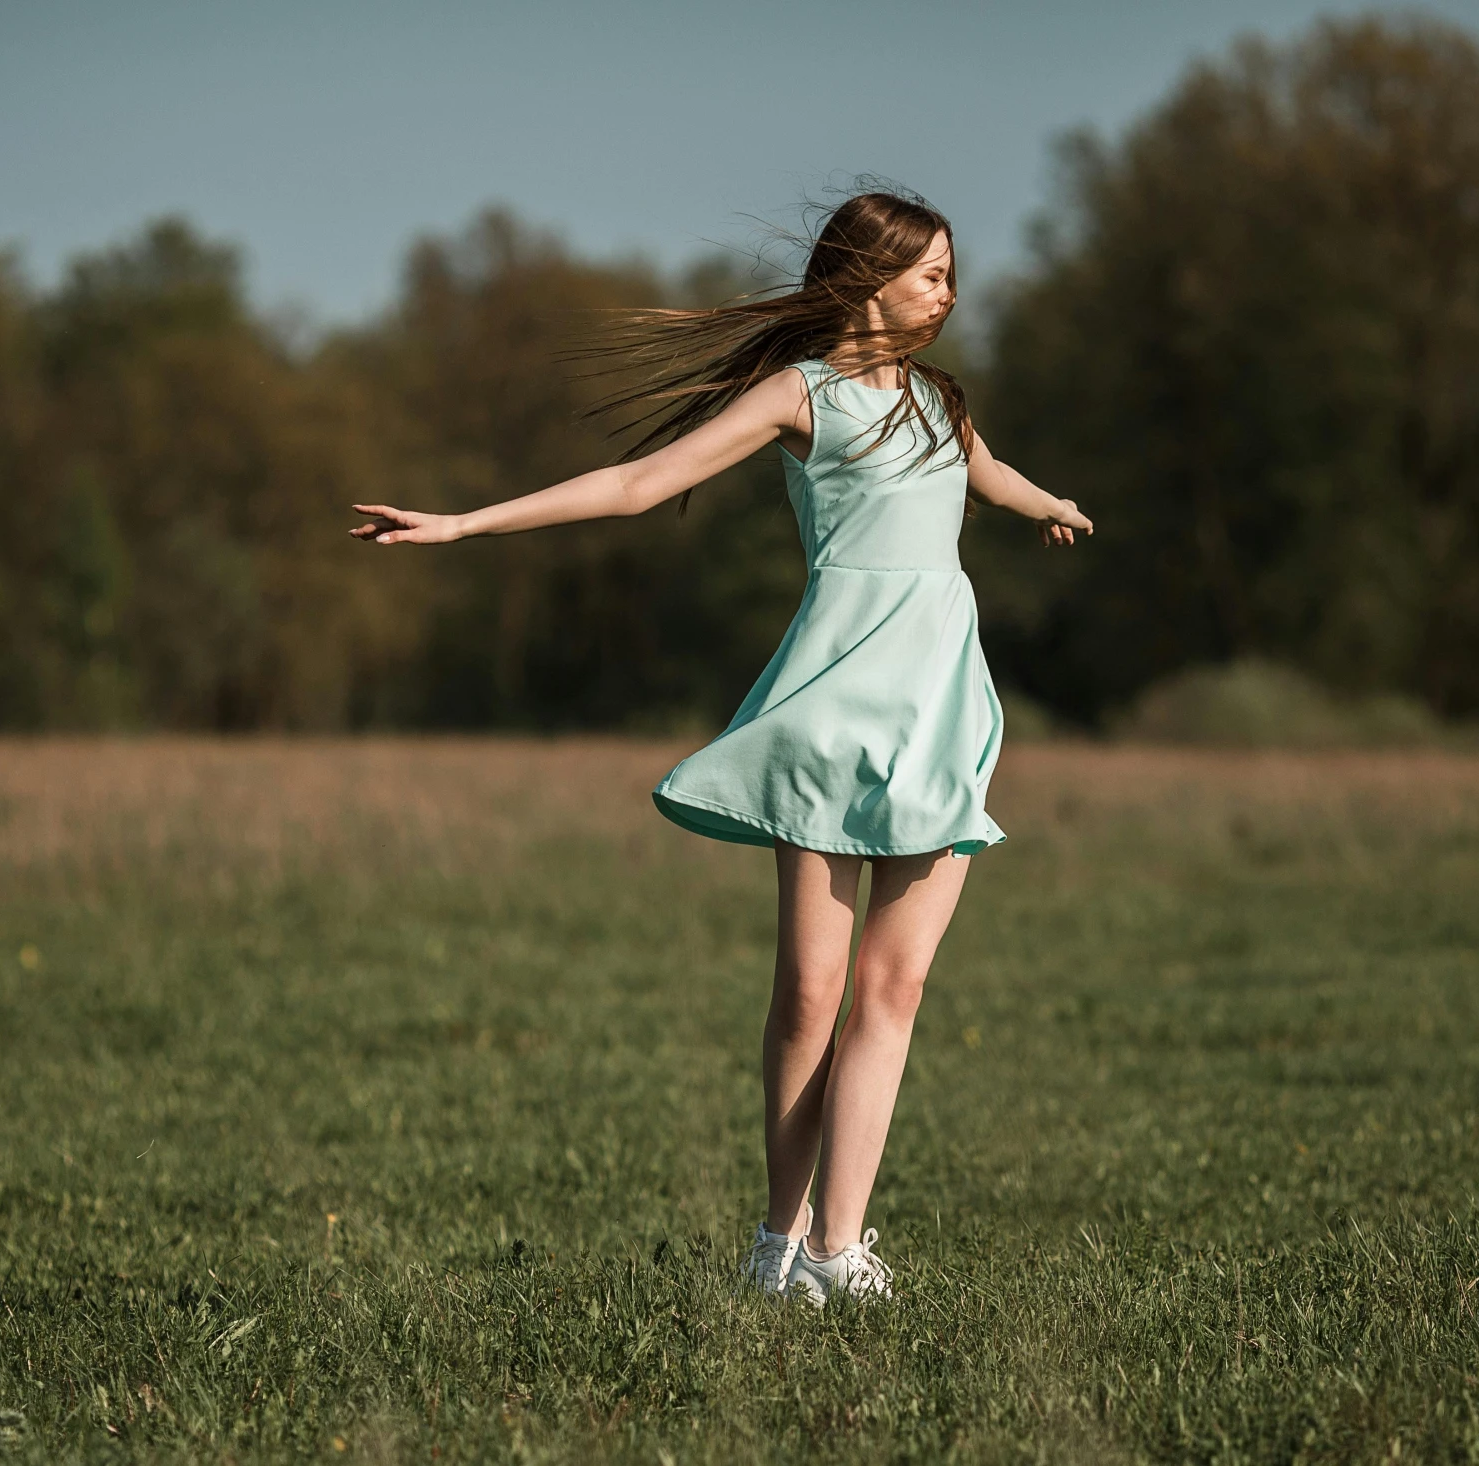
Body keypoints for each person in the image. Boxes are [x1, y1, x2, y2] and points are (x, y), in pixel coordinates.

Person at [349, 189, 1092, 1305]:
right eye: (932, 271)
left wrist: (1049, 501)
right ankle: (776, 1244)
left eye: (951, 273)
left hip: (941, 709)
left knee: (894, 987)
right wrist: (461, 524)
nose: (949, 291)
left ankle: (841, 1250)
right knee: (808, 991)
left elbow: (982, 472)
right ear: (869, 276)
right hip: (834, 710)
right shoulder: (801, 394)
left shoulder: (941, 401)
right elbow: (640, 485)